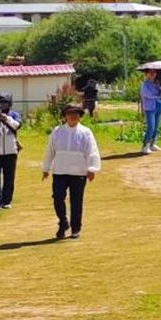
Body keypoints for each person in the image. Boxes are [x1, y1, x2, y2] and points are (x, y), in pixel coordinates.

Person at [41, 103, 101, 241]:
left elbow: (92, 151)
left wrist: (92, 169)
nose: (73, 116)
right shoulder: (57, 132)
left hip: (79, 172)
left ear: (80, 116)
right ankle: (63, 222)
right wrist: (46, 168)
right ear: (65, 116)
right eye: (69, 113)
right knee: (57, 198)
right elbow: (50, 151)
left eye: (76, 114)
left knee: (76, 201)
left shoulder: (86, 132)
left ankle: (76, 228)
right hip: (60, 171)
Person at [138, 71, 161, 155]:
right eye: (150, 73)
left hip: (158, 106)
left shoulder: (157, 84)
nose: (152, 75)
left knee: (156, 126)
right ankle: (145, 146)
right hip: (150, 107)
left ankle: (152, 144)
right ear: (146, 74)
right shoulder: (144, 84)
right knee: (151, 127)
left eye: (154, 73)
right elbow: (147, 95)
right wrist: (157, 96)